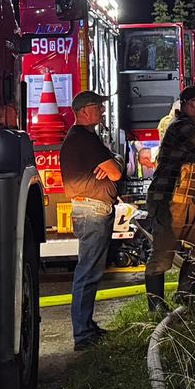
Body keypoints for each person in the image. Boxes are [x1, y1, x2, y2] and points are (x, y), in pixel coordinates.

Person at [144, 85, 195, 315]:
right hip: (170, 200)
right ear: (189, 105)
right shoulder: (181, 127)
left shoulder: (194, 127)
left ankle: (185, 293)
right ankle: (155, 305)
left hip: (189, 202)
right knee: (162, 253)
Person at [59, 90, 124, 348]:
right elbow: (117, 173)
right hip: (93, 211)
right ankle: (83, 334)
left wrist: (113, 160)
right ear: (84, 111)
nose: (103, 111)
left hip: (91, 210)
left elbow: (114, 165)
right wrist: (114, 161)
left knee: (91, 271)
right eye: (98, 106)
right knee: (87, 273)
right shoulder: (84, 139)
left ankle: (86, 327)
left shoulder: (85, 138)